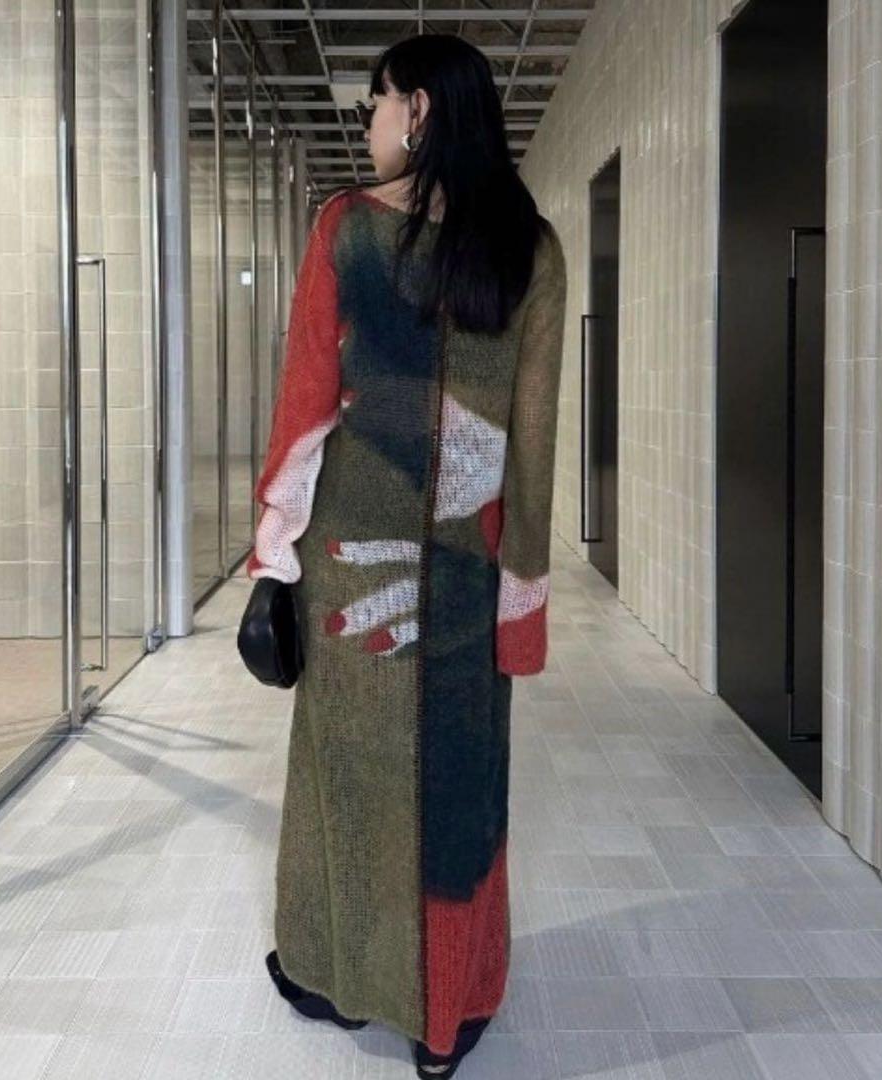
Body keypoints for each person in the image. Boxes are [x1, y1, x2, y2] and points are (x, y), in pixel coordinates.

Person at [247, 32, 567, 1080]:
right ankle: (448, 1019)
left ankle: (342, 977)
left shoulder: (345, 229)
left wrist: (274, 560)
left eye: (379, 101)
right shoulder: (531, 249)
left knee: (347, 779)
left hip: (353, 566)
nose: (371, 122)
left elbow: (305, 413)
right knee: (459, 795)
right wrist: (521, 608)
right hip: (467, 580)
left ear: (419, 109)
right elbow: (531, 452)